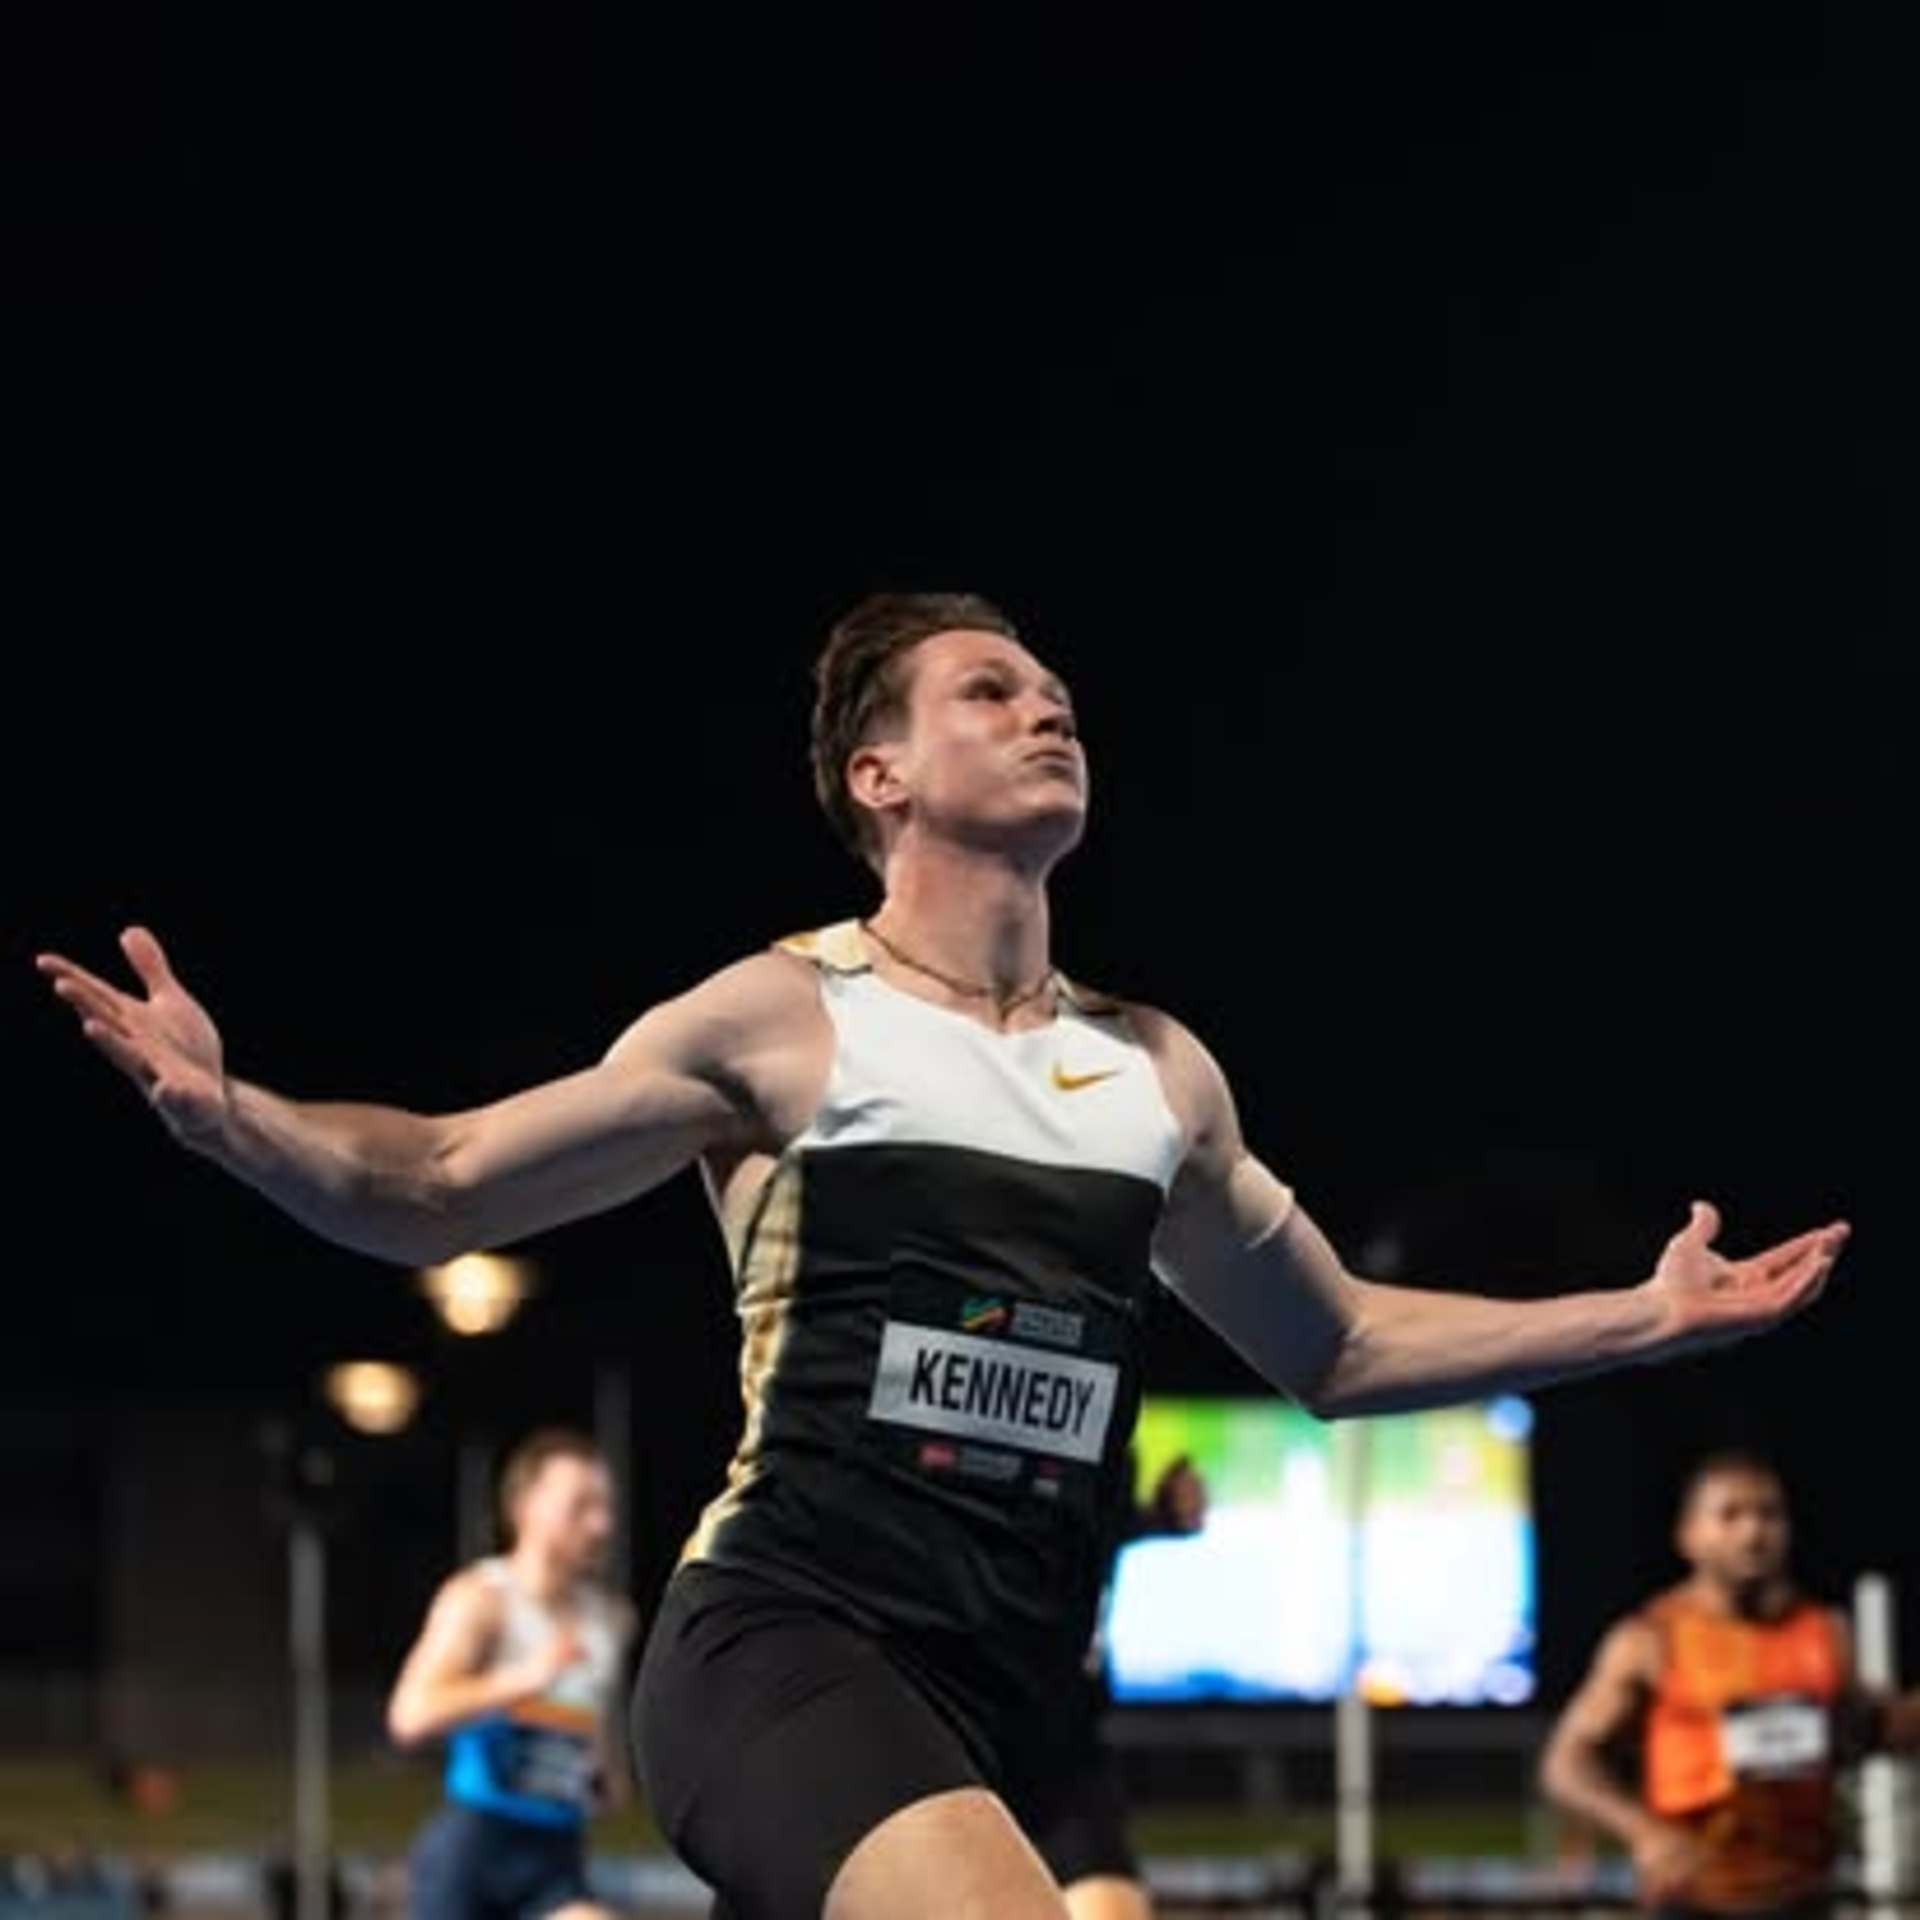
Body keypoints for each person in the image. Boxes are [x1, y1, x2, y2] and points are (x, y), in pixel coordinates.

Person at [38, 591, 1849, 1920]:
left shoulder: (1155, 1073)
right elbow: (436, 1178)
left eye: (1060, 694)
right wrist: (234, 1115)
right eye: (994, 691)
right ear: (880, 775)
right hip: (785, 1644)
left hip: (1011, 1696)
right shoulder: (784, 1020)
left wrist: (1643, 1318)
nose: (1051, 710)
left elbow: (1344, 1347)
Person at [1538, 1450, 1920, 1919]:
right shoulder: (1652, 1637)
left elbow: (1873, 1729)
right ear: (1688, 1535)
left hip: (1801, 1895)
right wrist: (1645, 1833)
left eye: (1769, 1514)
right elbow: (1565, 1763)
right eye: (1730, 1515)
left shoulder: (1823, 1632)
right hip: (1695, 1897)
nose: (1753, 1532)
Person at [387, 1428, 636, 1920]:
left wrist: (609, 1776)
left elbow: (599, 1738)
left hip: (556, 1853)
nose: (601, 1524)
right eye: (581, 1506)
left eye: (606, 1507)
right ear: (525, 1507)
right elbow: (409, 1715)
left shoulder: (610, 1620)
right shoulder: (481, 1599)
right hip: (474, 1852)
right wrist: (525, 1680)